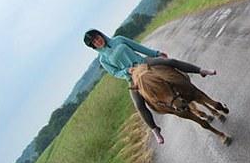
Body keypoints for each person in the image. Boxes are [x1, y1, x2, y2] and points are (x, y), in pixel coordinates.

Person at [83, 29, 217, 144]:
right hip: (132, 77)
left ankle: (201, 71)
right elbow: (115, 72)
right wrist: (126, 71)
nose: (97, 41)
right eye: (94, 42)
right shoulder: (103, 60)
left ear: (100, 35)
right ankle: (155, 129)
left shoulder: (118, 39)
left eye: (97, 37)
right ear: (93, 46)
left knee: (170, 61)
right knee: (139, 105)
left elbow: (137, 47)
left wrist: (156, 53)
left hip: (144, 62)